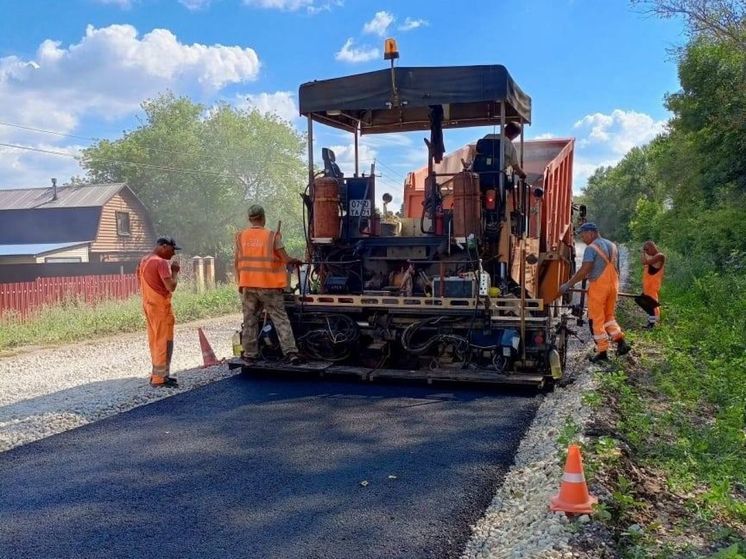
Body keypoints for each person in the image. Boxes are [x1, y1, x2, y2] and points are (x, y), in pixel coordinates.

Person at [234, 204, 303, 366]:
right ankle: (291, 352)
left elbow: (237, 262)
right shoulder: (272, 236)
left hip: (248, 285)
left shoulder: (240, 236)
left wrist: (239, 282)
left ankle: (250, 354)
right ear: (263, 217)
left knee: (250, 319)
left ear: (249, 219)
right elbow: (285, 259)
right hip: (269, 286)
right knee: (280, 319)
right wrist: (296, 261)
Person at [559, 223, 631, 362]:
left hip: (599, 287)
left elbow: (585, 269)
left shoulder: (591, 248)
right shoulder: (613, 246)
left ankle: (602, 351)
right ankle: (621, 342)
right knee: (608, 316)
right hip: (613, 286)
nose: (583, 238)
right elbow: (615, 268)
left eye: (583, 235)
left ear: (591, 233)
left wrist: (568, 284)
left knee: (596, 319)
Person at [138, 237, 181, 387]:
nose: (173, 254)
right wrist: (175, 272)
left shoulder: (145, 260)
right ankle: (160, 379)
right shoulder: (161, 262)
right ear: (163, 246)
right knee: (164, 342)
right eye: (172, 249)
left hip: (149, 305)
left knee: (155, 341)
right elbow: (171, 286)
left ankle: (157, 375)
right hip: (161, 308)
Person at [641, 240, 665, 329]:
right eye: (645, 250)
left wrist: (643, 252)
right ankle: (651, 323)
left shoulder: (660, 256)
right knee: (647, 304)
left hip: (653, 285)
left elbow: (644, 262)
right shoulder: (653, 257)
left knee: (652, 305)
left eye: (647, 249)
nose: (646, 252)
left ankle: (654, 324)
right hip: (648, 285)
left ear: (652, 247)